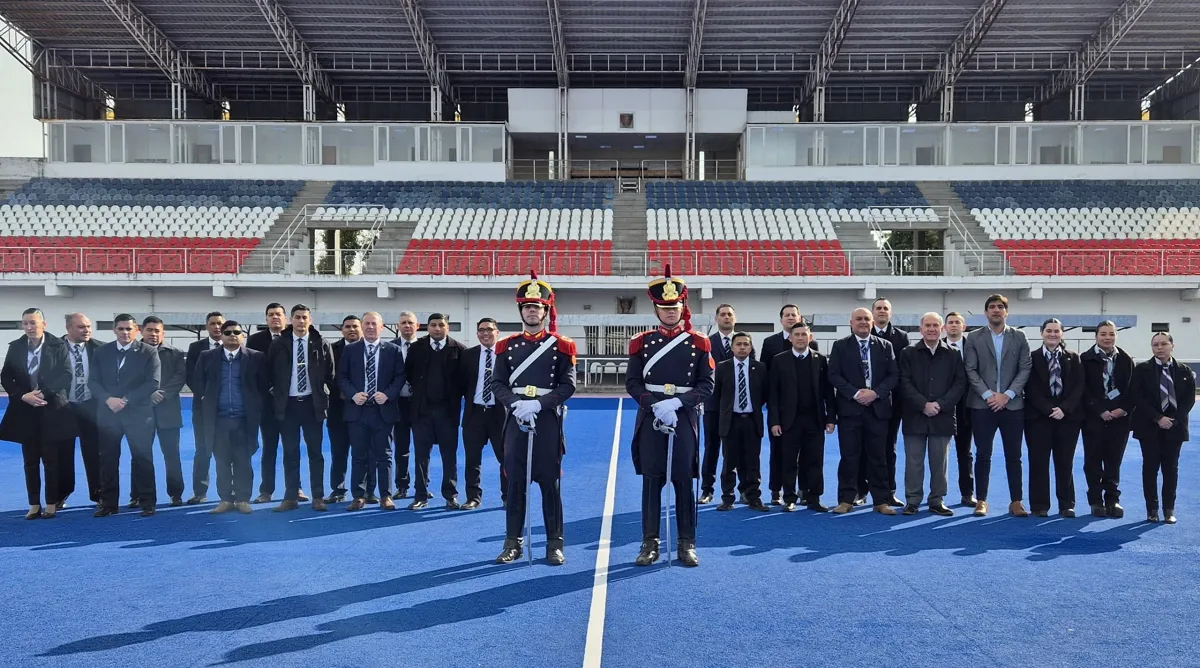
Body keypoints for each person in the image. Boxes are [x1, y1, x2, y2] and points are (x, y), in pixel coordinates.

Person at [626, 267, 714, 567]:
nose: (669, 313)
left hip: (683, 419)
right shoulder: (641, 342)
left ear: (682, 308)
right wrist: (654, 405)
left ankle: (686, 543)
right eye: (664, 309)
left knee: (683, 483)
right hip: (651, 419)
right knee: (652, 482)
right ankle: (650, 542)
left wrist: (677, 402)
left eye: (674, 308)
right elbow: (633, 383)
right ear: (656, 310)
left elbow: (707, 385)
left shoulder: (699, 342)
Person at [491, 273, 576, 565]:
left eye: (537, 306)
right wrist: (516, 404)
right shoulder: (506, 346)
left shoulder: (562, 345)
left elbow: (568, 385)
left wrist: (539, 405)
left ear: (546, 310)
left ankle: (554, 543)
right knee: (516, 485)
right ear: (521, 311)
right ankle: (512, 542)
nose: (531, 310)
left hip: (547, 421)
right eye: (527, 306)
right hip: (516, 420)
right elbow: (497, 383)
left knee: (550, 486)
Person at [0, 308, 73, 519]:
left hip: (51, 409)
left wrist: (42, 394)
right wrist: (23, 396)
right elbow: (6, 377)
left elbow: (65, 375)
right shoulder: (16, 347)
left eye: (33, 323)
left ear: (44, 324)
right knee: (30, 460)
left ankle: (51, 503)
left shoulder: (58, 346)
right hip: (25, 410)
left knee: (51, 460)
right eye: (25, 323)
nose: (29, 328)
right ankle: (34, 504)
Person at [963, 294, 1031, 518]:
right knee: (983, 454)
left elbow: (1025, 369)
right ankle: (981, 500)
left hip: (1012, 406)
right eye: (991, 307)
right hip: (983, 406)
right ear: (985, 312)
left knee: (1014, 456)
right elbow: (970, 369)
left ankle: (1016, 501)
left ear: (1006, 312)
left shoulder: (1020, 337)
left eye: (1000, 307)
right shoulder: (974, 338)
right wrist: (988, 395)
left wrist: (1008, 395)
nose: (996, 310)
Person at [828, 308, 900, 515]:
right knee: (849, 457)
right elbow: (834, 375)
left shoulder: (885, 346)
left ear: (872, 322)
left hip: (877, 410)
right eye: (858, 319)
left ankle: (881, 500)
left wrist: (876, 393)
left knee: (878, 457)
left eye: (866, 319)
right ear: (851, 322)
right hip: (850, 411)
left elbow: (894, 375)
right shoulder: (840, 346)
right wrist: (856, 393)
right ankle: (846, 499)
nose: (862, 322)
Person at [89, 314, 161, 517]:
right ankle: (109, 504)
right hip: (109, 413)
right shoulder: (102, 352)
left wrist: (126, 400)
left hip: (138, 414)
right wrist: (108, 399)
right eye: (121, 329)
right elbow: (93, 381)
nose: (125, 332)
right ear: (114, 330)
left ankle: (148, 502)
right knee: (108, 460)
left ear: (136, 330)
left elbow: (152, 382)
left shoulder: (148, 352)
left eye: (129, 329)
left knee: (143, 459)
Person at [193, 321, 267, 514]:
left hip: (244, 420)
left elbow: (263, 385)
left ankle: (243, 499)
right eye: (228, 332)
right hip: (218, 420)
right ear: (221, 336)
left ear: (243, 335)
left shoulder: (256, 357)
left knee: (243, 461)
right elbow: (198, 382)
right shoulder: (207, 356)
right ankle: (226, 499)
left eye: (237, 332)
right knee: (222, 462)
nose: (232, 335)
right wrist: (206, 400)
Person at [267, 303, 333, 512]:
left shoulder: (321, 343)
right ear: (291, 320)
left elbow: (330, 374)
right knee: (290, 453)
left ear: (310, 320)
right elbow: (269, 371)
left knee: (315, 453)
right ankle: (290, 496)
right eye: (297, 317)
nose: (301, 321)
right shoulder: (279, 343)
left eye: (305, 317)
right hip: (288, 407)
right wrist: (275, 392)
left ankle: (318, 497)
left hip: (312, 406)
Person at [897, 312, 965, 516]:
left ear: (942, 328)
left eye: (936, 325)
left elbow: (959, 384)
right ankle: (913, 500)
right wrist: (923, 404)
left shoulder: (953, 354)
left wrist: (940, 405)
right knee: (914, 461)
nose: (932, 329)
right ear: (921, 329)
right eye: (928, 325)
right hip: (915, 415)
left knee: (939, 461)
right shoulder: (908, 353)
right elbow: (904, 382)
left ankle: (937, 499)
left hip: (942, 416)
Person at [338, 312, 406, 510]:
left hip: (383, 411)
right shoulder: (350, 350)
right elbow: (341, 377)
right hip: (357, 411)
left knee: (384, 456)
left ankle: (386, 496)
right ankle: (358, 496)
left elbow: (400, 377)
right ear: (362, 326)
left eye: (373, 324)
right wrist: (352, 394)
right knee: (358, 455)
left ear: (382, 327)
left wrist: (388, 394)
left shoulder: (393, 350)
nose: (369, 327)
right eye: (366, 323)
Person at [767, 322, 836, 512]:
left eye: (804, 334)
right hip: (789, 420)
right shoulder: (779, 360)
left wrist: (831, 418)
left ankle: (813, 497)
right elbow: (773, 395)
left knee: (814, 459)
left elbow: (828, 392)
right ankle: (789, 498)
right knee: (789, 460)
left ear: (810, 337)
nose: (800, 338)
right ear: (790, 338)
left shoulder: (820, 360)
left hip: (814, 419)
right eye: (796, 334)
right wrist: (774, 421)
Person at [1131, 332, 1195, 524]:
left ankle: (1169, 509)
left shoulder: (1184, 371)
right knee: (1150, 469)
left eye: (1163, 344)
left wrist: (1173, 420)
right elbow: (1137, 397)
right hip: (1149, 427)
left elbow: (1188, 400)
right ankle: (1152, 509)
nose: (1159, 348)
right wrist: (1158, 418)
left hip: (1175, 429)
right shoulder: (1142, 370)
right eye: (1155, 345)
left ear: (1172, 346)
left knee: (1171, 469)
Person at [405, 312, 466, 510]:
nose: (437, 328)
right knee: (421, 455)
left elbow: (464, 383)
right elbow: (409, 374)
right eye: (433, 325)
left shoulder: (459, 350)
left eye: (441, 325)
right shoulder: (416, 348)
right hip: (421, 412)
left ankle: (451, 495)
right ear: (427, 327)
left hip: (447, 414)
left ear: (447, 327)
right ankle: (421, 495)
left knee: (449, 456)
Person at [1024, 318, 1084, 518]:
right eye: (1049, 331)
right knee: (1039, 462)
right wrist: (1049, 409)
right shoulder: (1031, 358)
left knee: (1065, 462)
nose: (1052, 334)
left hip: (1067, 419)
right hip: (1038, 419)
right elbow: (1030, 388)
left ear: (1062, 334)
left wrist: (1064, 409)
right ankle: (1039, 504)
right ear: (1042, 333)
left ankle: (1066, 504)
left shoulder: (1073, 358)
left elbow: (1078, 387)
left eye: (1056, 331)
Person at [758, 304, 817, 506]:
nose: (791, 317)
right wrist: (773, 414)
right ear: (781, 319)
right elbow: (766, 379)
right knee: (779, 453)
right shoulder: (771, 344)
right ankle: (777, 490)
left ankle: (805, 491)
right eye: (787, 315)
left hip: (809, 414)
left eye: (794, 315)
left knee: (809, 456)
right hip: (782, 412)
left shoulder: (813, 348)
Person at [247, 303, 307, 503]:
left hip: (291, 405)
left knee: (292, 448)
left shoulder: (296, 338)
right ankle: (266, 491)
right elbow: (253, 371)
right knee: (269, 449)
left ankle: (296, 488)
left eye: (279, 314)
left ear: (286, 318)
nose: (275, 318)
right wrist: (270, 388)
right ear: (266, 319)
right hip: (268, 406)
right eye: (271, 315)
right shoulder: (255, 340)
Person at [1079, 321, 1134, 518]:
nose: (1107, 337)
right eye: (1103, 334)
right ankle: (1095, 500)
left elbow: (1132, 389)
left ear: (1116, 335)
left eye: (1111, 334)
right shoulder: (1085, 359)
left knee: (1113, 461)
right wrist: (1100, 410)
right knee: (1093, 461)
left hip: (1119, 419)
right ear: (1096, 336)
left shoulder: (1126, 359)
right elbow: (1082, 389)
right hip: (1094, 418)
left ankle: (1113, 499)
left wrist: (1123, 409)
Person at [713, 331, 768, 512]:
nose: (742, 347)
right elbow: (717, 395)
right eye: (739, 344)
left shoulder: (760, 368)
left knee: (753, 462)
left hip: (752, 420)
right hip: (731, 421)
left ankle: (754, 497)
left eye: (746, 344)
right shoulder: (722, 367)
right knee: (729, 461)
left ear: (751, 347)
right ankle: (728, 498)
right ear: (732, 347)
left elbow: (764, 395)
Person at [134, 316, 187, 508]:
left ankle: (176, 493)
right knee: (140, 455)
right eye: (150, 330)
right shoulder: (132, 353)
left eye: (157, 331)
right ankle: (138, 494)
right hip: (140, 412)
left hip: (168, 411)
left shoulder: (175, 353)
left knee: (172, 455)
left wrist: (161, 394)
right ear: (141, 331)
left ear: (163, 333)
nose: (153, 334)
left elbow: (180, 377)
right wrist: (147, 394)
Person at [459, 317, 507, 510]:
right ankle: (473, 497)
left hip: (500, 414)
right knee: (472, 460)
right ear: (477, 333)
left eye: (489, 329)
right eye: (481, 330)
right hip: (474, 414)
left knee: (505, 458)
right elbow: (460, 383)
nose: (485, 333)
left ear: (497, 332)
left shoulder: (506, 355)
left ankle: (508, 496)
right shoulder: (468, 355)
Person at [867, 297, 910, 508]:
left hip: (892, 403)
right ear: (872, 313)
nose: (882, 311)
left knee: (889, 448)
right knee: (864, 447)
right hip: (865, 402)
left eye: (886, 308)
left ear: (890, 313)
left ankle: (889, 490)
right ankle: (861, 490)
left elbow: (902, 372)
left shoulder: (902, 338)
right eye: (878, 308)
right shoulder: (862, 334)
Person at [61, 312, 103, 509]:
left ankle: (98, 494)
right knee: (63, 453)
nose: (86, 330)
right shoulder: (54, 348)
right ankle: (61, 493)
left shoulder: (100, 348)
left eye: (88, 326)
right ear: (68, 328)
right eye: (81, 327)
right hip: (63, 407)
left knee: (94, 453)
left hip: (91, 407)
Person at [185, 311, 225, 505]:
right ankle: (200, 492)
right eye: (213, 324)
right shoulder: (196, 348)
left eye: (219, 323)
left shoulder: (235, 345)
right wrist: (206, 397)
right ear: (207, 326)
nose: (216, 327)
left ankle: (229, 492)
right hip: (202, 408)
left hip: (228, 410)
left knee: (227, 451)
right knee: (203, 450)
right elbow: (191, 376)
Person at [700, 303, 737, 504]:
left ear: (735, 318)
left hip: (736, 407)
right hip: (713, 405)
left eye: (729, 315)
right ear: (716, 319)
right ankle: (707, 489)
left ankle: (733, 491)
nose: (726, 318)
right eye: (722, 314)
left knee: (733, 450)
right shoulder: (707, 343)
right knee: (711, 447)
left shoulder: (743, 342)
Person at [325, 315, 362, 503]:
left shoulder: (370, 349)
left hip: (363, 410)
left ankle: (364, 491)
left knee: (362, 452)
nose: (352, 329)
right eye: (347, 326)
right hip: (337, 410)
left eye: (355, 326)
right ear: (342, 330)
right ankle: (338, 489)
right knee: (339, 452)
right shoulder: (331, 349)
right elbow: (327, 376)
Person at [942, 311, 975, 506]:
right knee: (938, 454)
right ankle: (937, 494)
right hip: (942, 407)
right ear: (944, 327)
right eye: (950, 323)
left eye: (957, 322)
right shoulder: (936, 347)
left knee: (965, 452)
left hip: (967, 407)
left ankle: (967, 493)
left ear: (964, 327)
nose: (954, 325)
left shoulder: (973, 348)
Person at [391, 311, 420, 499]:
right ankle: (402, 485)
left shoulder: (426, 347)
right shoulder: (389, 348)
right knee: (401, 448)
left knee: (422, 448)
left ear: (417, 326)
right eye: (403, 323)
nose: (407, 326)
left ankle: (422, 487)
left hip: (419, 404)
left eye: (410, 322)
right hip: (398, 404)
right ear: (398, 326)